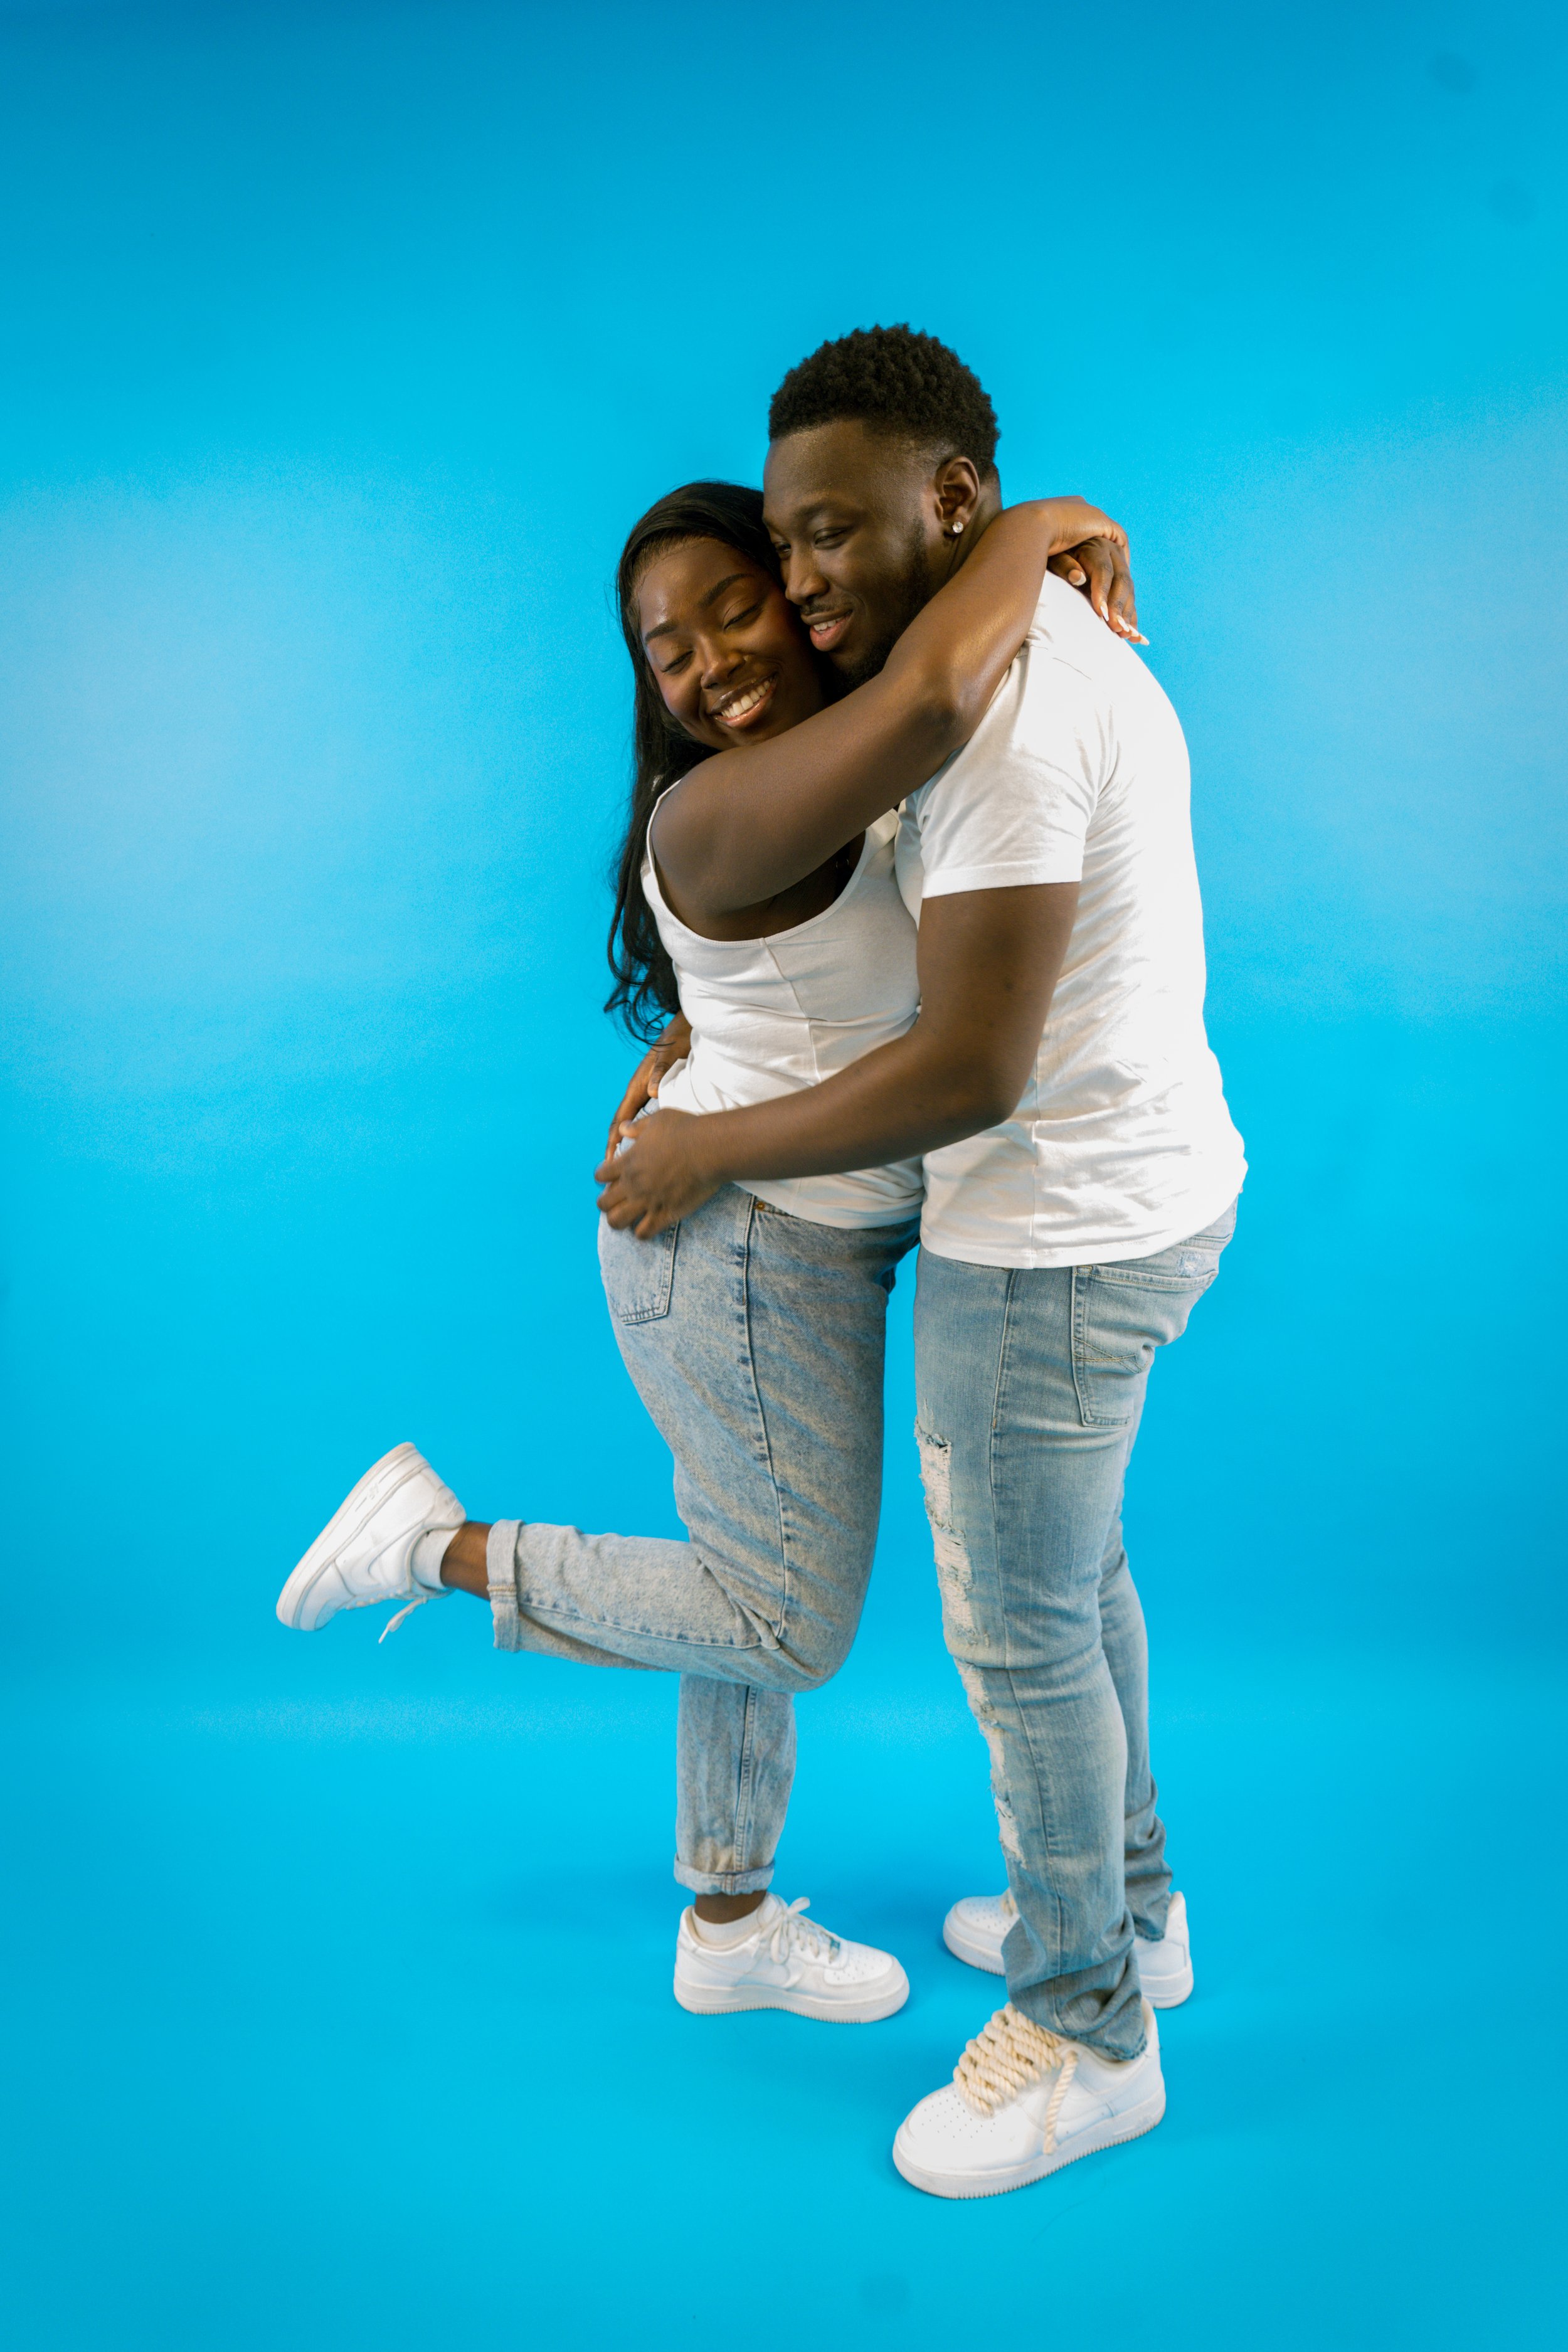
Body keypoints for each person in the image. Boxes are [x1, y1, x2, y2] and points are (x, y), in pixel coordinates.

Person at [277, 473, 1140, 2032]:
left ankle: (728, 1923)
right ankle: (433, 1548)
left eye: (731, 608)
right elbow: (941, 685)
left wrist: (699, 1033)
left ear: (797, 597)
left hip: (787, 1237)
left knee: (743, 1559)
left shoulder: (823, 764)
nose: (706, 662)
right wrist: (1051, 521)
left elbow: (828, 960)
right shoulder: (721, 804)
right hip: (734, 1255)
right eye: (665, 652)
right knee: (780, 1616)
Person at [598, 326, 1247, 2199]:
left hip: (1046, 1228)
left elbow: (962, 1062)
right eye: (775, 548)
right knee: (1076, 1575)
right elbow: (795, 949)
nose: (793, 588)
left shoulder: (994, 707)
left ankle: (1086, 2027)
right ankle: (1131, 1911)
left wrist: (707, 1136)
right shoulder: (994, 648)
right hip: (1135, 1185)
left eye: (819, 539)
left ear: (948, 508)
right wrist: (1043, 522)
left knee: (1021, 1625)